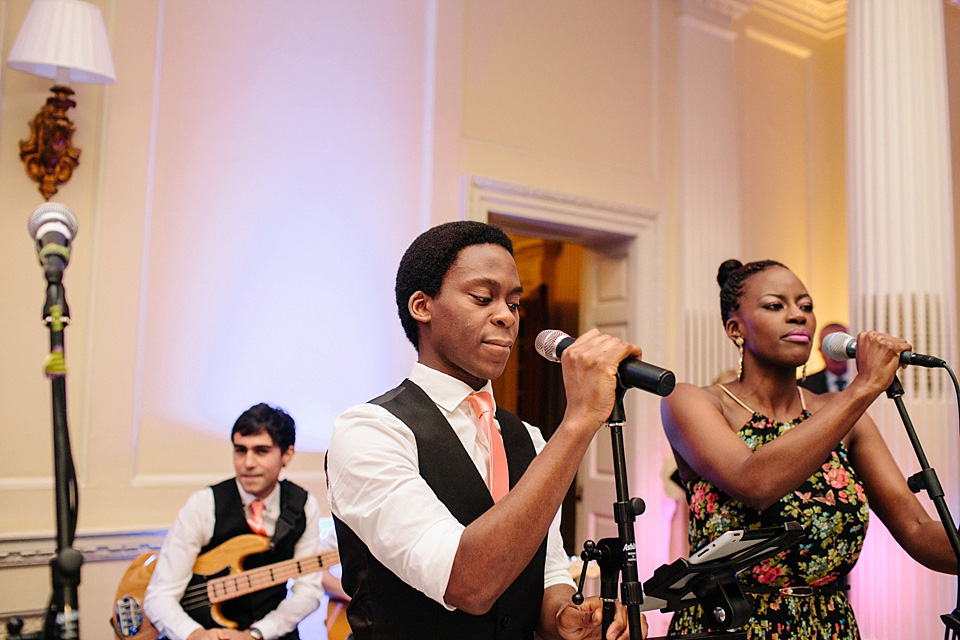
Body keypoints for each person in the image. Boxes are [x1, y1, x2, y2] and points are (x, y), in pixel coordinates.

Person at [326, 221, 647, 640]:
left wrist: (563, 620)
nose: (506, 317)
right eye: (483, 298)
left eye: (514, 303)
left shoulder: (527, 438)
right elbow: (467, 584)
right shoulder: (370, 432)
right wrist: (579, 420)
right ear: (422, 306)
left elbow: (548, 574)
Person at [661, 259, 957, 638]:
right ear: (735, 328)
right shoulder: (690, 401)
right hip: (731, 624)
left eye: (805, 306)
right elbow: (754, 483)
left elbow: (918, 530)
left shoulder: (844, 418)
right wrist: (862, 388)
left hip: (827, 625)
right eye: (775, 305)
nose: (797, 316)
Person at [143, 403, 326, 640]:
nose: (248, 463)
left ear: (287, 454)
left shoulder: (303, 506)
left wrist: (258, 633)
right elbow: (160, 595)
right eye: (240, 450)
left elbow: (308, 590)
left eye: (261, 451)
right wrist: (194, 634)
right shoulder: (203, 505)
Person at [799, 322, 851, 394]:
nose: (835, 353)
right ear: (820, 350)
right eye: (828, 347)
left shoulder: (864, 383)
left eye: (840, 346)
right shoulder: (802, 388)